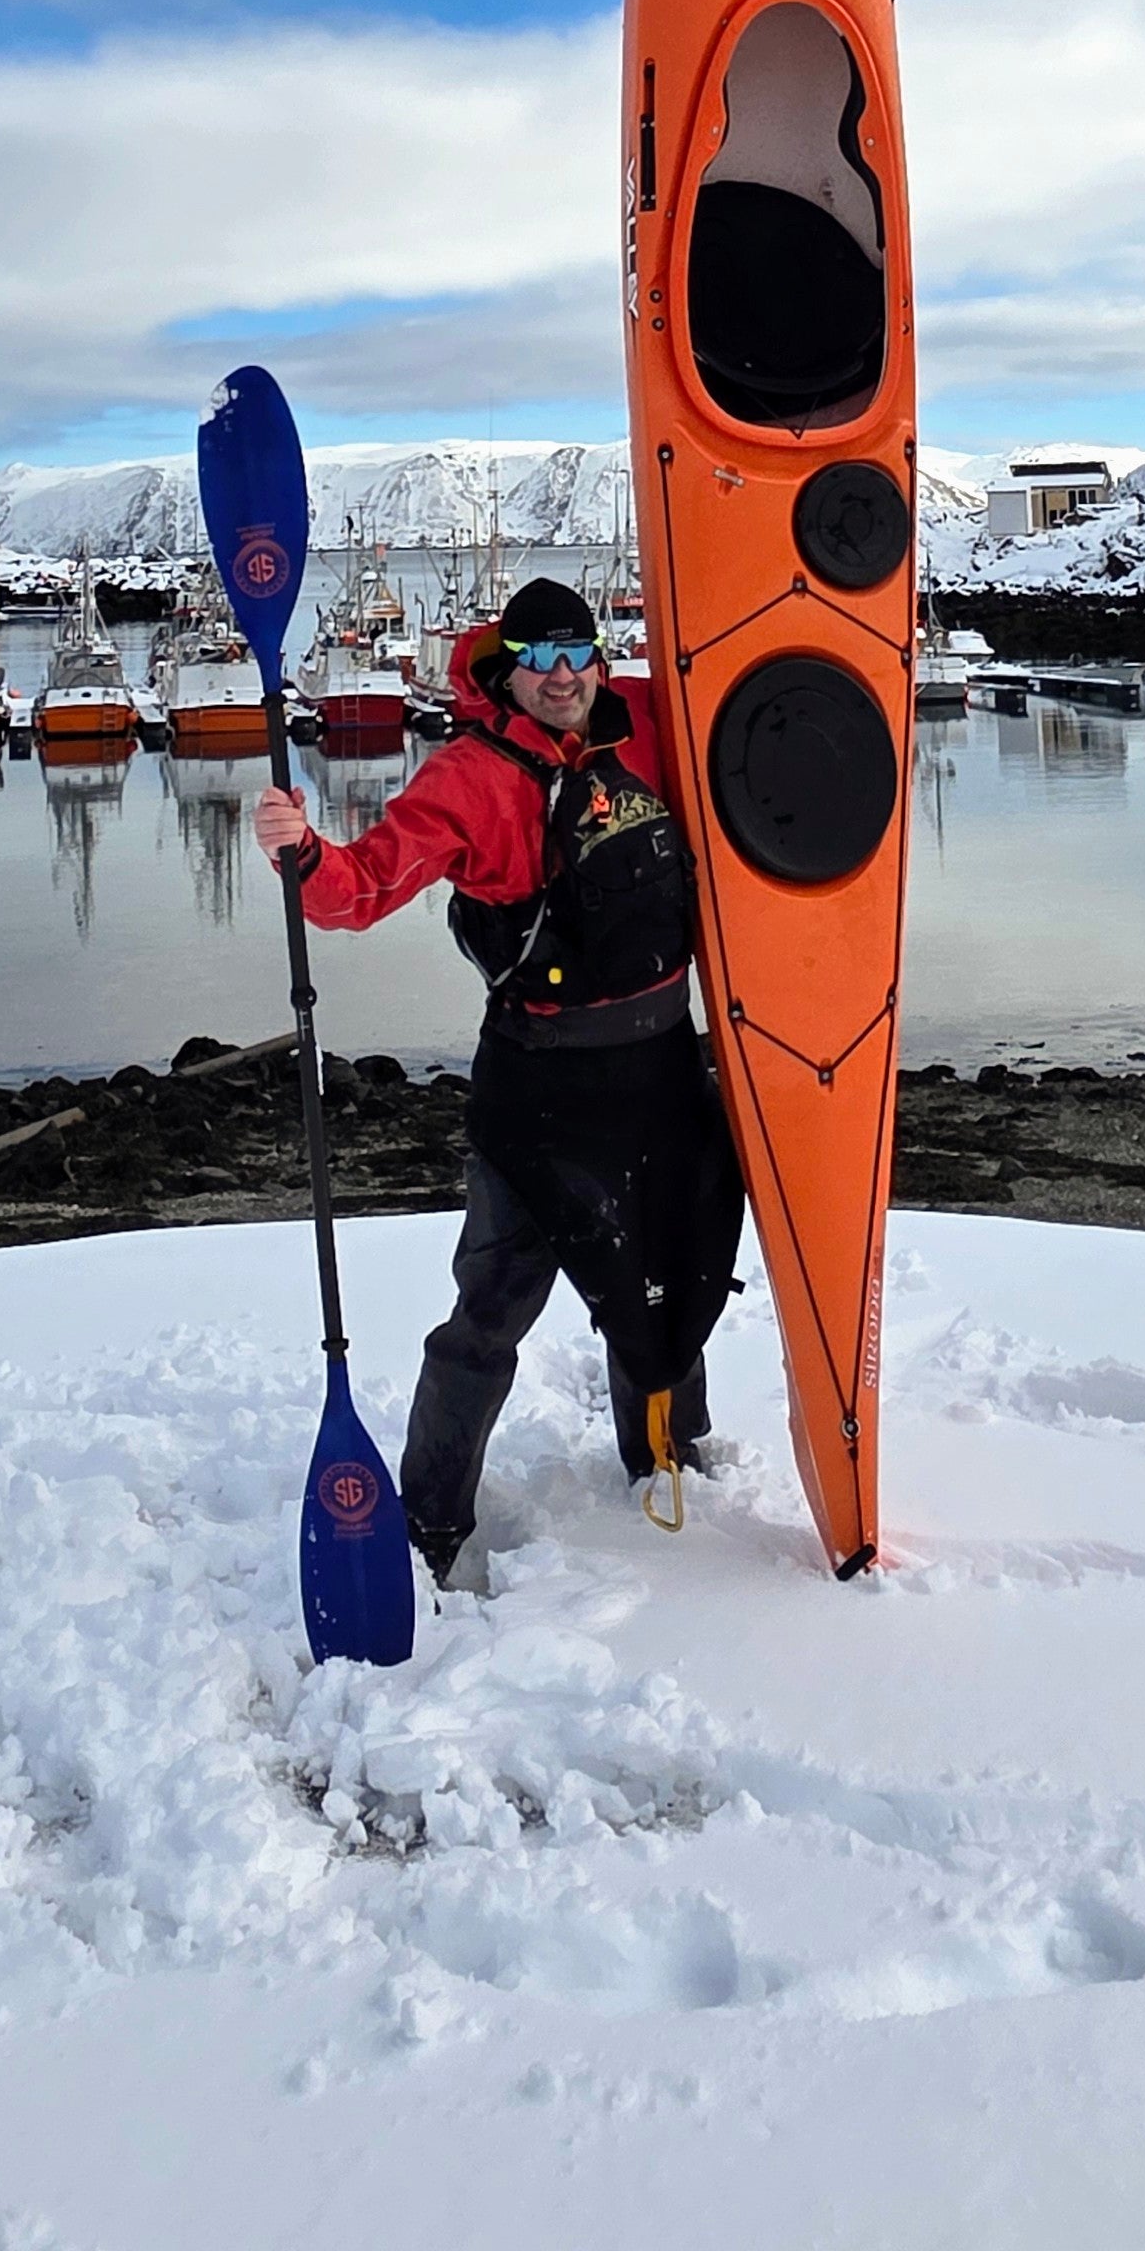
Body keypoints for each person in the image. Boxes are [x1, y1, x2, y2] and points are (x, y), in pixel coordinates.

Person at [250, 576, 744, 1589]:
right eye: (540, 659)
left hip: (659, 1066)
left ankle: (669, 1462)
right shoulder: (470, 777)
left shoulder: (648, 720)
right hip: (540, 1088)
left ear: (601, 660)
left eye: (578, 655)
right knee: (490, 1311)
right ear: (508, 669)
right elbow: (366, 886)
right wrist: (303, 856)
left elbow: (742, 681)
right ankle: (428, 1520)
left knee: (667, 1283)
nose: (562, 678)